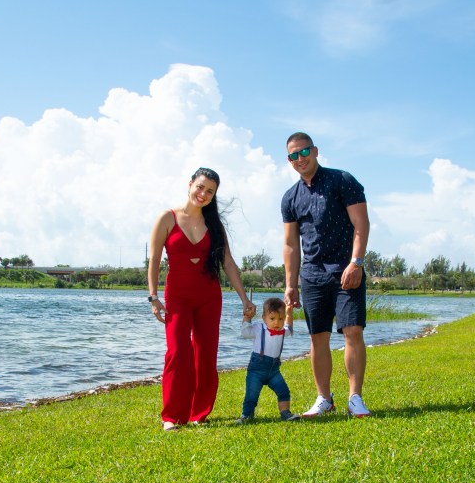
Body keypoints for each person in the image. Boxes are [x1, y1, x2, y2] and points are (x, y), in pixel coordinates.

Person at [148, 167, 255, 431]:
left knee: (206, 354)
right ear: (190, 184)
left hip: (209, 296)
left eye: (210, 191)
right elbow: (154, 260)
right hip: (177, 296)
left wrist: (244, 299)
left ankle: (200, 412)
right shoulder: (167, 218)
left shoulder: (214, 225)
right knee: (177, 352)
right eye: (200, 187)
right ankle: (172, 416)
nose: (203, 194)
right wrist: (153, 297)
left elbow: (228, 263)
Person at [281, 132, 372, 418]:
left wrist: (356, 262)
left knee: (352, 331)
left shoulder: (343, 180)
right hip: (312, 275)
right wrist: (290, 284)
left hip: (346, 270)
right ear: (289, 160)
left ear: (315, 151)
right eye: (293, 155)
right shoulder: (290, 197)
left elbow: (361, 224)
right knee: (317, 337)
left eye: (304, 152)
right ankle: (324, 399)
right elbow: (290, 244)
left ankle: (355, 398)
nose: (300, 158)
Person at [237, 297, 301, 424]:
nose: (277, 322)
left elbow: (289, 329)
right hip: (256, 370)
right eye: (272, 319)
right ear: (264, 318)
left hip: (274, 371)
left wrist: (289, 313)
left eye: (280, 319)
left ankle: (285, 413)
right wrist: (247, 318)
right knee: (251, 394)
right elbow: (245, 333)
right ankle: (247, 416)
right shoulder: (258, 328)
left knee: (283, 391)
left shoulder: (282, 331)